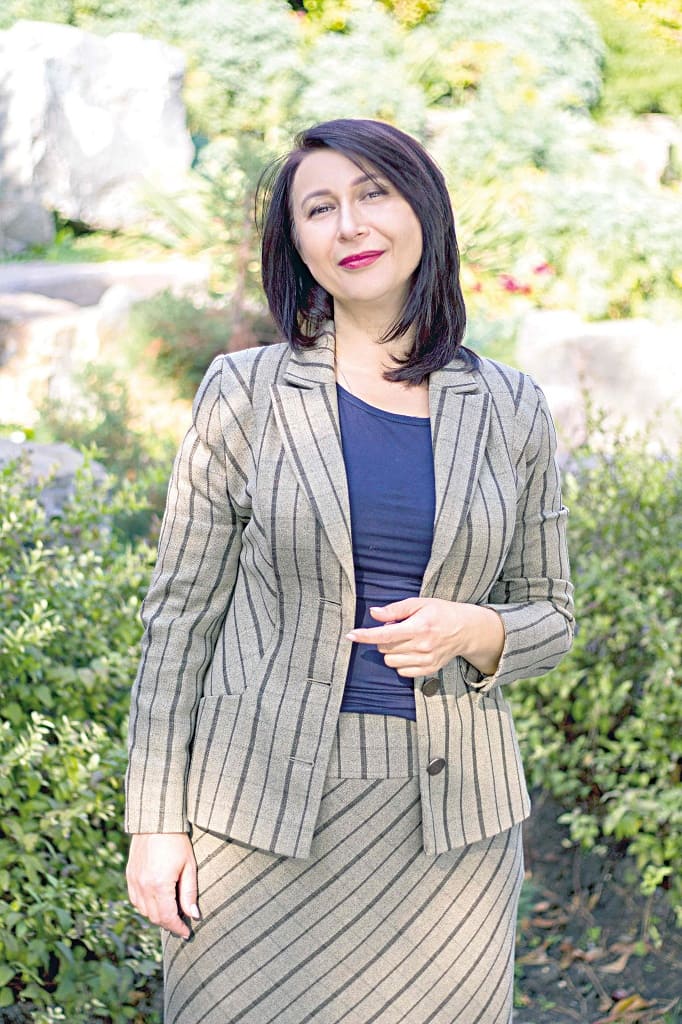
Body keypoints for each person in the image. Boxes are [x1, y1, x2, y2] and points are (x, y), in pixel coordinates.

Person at [125, 117, 574, 1024]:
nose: (350, 225)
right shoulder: (244, 393)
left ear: (423, 211)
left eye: (374, 193)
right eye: (319, 208)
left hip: (449, 833)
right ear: (296, 244)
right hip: (254, 817)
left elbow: (552, 614)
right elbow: (179, 622)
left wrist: (477, 630)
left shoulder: (512, 407)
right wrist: (155, 822)